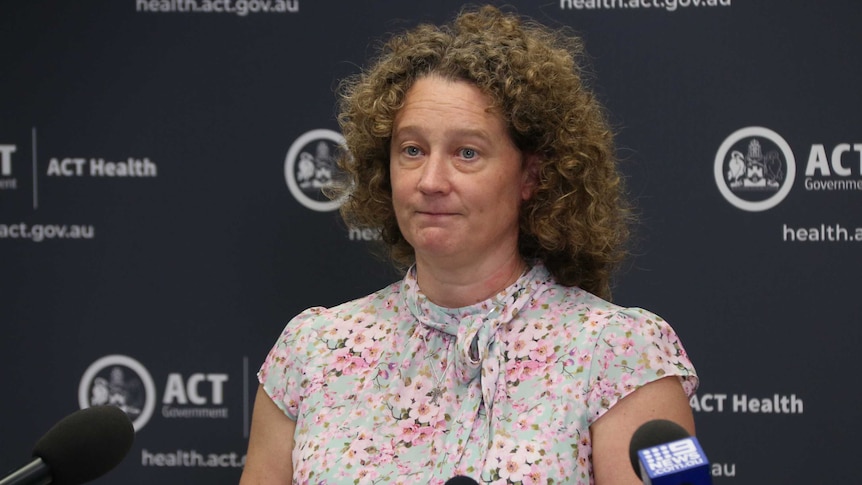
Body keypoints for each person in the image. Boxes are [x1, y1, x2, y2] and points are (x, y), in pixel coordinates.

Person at [240, 5, 698, 484]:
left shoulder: (619, 352)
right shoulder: (314, 349)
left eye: (467, 153)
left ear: (532, 175)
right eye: (412, 150)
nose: (432, 181)